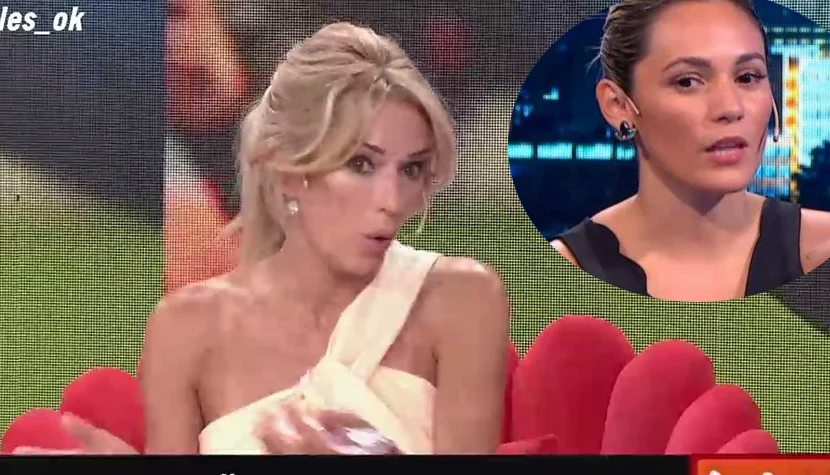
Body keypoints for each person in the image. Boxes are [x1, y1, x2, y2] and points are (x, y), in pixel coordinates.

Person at [15, 21, 511, 455]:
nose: (393, 200)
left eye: (412, 169)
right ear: (288, 170)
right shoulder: (186, 328)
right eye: (361, 164)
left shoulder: (463, 298)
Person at [551, 0, 830, 302]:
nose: (730, 108)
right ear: (618, 105)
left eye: (747, 77)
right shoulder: (556, 280)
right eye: (687, 82)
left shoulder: (821, 250)